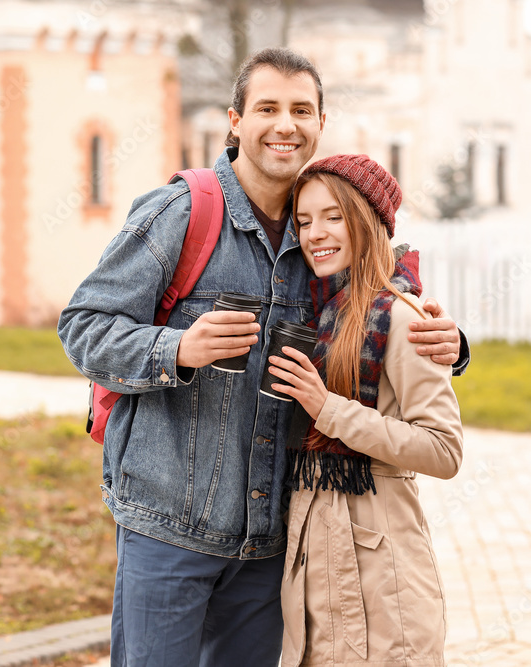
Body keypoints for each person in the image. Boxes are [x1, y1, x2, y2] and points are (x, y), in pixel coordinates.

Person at [56, 46, 469, 666]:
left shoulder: (318, 237)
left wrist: (454, 347)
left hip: (270, 546)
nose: (285, 124)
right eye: (267, 107)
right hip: (169, 529)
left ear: (320, 124)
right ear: (235, 120)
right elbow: (83, 326)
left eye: (302, 109)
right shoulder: (182, 212)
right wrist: (177, 347)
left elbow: (383, 303)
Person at [267, 154, 462, 666]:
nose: (316, 234)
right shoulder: (313, 315)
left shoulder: (403, 316)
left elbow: (444, 450)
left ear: (366, 219)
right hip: (312, 572)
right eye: (304, 221)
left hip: (384, 582)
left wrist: (328, 409)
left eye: (333, 216)